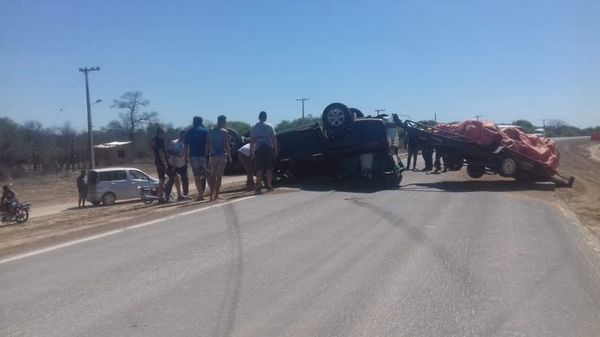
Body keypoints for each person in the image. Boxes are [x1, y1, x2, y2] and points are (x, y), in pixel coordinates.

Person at [251, 111, 278, 194]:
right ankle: (269, 185)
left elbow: (252, 140)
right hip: (268, 148)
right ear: (265, 117)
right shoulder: (269, 126)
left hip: (259, 149)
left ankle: (258, 187)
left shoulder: (255, 127)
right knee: (268, 168)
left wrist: (252, 151)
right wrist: (275, 149)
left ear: (259, 118)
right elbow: (273, 139)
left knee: (259, 169)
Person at [206, 115, 231, 201]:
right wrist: (230, 156)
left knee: (212, 175)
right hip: (221, 155)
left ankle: (211, 194)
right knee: (219, 176)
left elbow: (207, 144)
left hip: (212, 156)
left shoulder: (210, 131)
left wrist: (206, 154)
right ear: (223, 122)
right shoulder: (224, 132)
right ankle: (216, 194)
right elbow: (226, 145)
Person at [185, 116, 208, 201]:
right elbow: (207, 144)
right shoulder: (205, 131)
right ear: (201, 122)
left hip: (193, 156)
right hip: (203, 156)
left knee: (197, 176)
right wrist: (206, 154)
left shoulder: (189, 132)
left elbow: (186, 146)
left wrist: (185, 157)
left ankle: (200, 195)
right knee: (207, 175)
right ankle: (212, 193)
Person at [165, 130, 190, 201]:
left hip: (183, 164)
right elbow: (168, 151)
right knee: (172, 179)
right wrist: (177, 153)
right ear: (180, 135)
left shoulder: (187, 144)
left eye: (185, 136)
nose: (184, 137)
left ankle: (185, 194)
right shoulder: (174, 142)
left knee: (185, 179)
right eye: (182, 135)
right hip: (174, 164)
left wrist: (187, 158)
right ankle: (167, 196)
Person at [151, 126, 168, 204]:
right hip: (161, 162)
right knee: (171, 177)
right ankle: (161, 197)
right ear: (160, 132)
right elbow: (161, 152)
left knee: (161, 179)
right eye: (163, 133)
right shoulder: (160, 140)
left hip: (157, 161)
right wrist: (164, 163)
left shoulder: (153, 140)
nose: (164, 134)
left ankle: (160, 197)